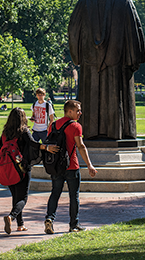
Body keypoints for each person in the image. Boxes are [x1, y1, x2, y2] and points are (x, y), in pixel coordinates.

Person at [68, 0, 145, 140]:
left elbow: (73, 30)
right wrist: (133, 59)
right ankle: (117, 132)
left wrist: (77, 56)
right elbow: (135, 31)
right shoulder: (124, 1)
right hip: (116, 61)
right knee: (115, 95)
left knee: (91, 95)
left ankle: (89, 132)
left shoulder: (84, 1)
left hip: (90, 62)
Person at [0, 108, 59, 235]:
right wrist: (46, 147)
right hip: (22, 169)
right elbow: (33, 144)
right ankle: (11, 216)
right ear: (23, 118)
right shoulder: (24, 131)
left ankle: (20, 225)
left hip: (7, 168)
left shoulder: (5, 133)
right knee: (23, 198)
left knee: (16, 196)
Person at [45, 100, 98, 234]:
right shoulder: (76, 126)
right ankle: (74, 224)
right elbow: (80, 146)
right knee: (74, 195)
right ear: (70, 111)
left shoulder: (54, 124)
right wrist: (90, 165)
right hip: (71, 166)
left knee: (55, 193)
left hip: (56, 166)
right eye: (78, 110)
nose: (80, 113)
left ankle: (49, 219)